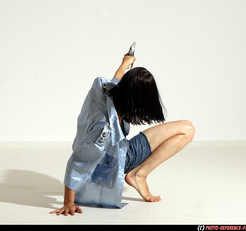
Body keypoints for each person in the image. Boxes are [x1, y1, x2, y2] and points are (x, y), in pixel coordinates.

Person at [50, 53, 195, 216]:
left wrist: (125, 63)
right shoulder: (103, 129)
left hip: (119, 150)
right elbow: (79, 161)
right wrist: (68, 202)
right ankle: (139, 174)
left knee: (186, 126)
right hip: (114, 163)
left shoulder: (104, 89)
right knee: (187, 131)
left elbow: (115, 81)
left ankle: (138, 174)